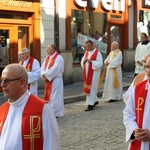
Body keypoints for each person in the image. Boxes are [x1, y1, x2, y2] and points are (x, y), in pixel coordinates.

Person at [0, 64, 61, 150]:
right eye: (2, 80)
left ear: (22, 82)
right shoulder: (2, 110)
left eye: (7, 81)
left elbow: (52, 145)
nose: (2, 84)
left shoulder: (42, 109)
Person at [123, 57, 150, 150]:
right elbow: (128, 113)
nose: (148, 71)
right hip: (139, 143)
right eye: (146, 67)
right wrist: (135, 129)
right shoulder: (138, 88)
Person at [41, 44, 64, 117]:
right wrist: (43, 74)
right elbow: (43, 67)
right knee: (50, 96)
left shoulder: (58, 58)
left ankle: (55, 112)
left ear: (53, 50)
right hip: (48, 79)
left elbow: (56, 68)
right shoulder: (47, 57)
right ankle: (51, 111)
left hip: (55, 80)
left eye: (48, 49)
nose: (47, 50)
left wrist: (46, 75)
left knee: (55, 96)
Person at [81, 40, 103, 111]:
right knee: (90, 88)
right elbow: (83, 60)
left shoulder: (97, 53)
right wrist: (83, 62)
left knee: (92, 88)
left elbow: (100, 63)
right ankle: (95, 100)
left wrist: (92, 62)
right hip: (87, 74)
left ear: (92, 45)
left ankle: (90, 105)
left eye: (89, 46)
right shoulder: (86, 52)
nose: (87, 48)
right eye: (86, 46)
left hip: (94, 74)